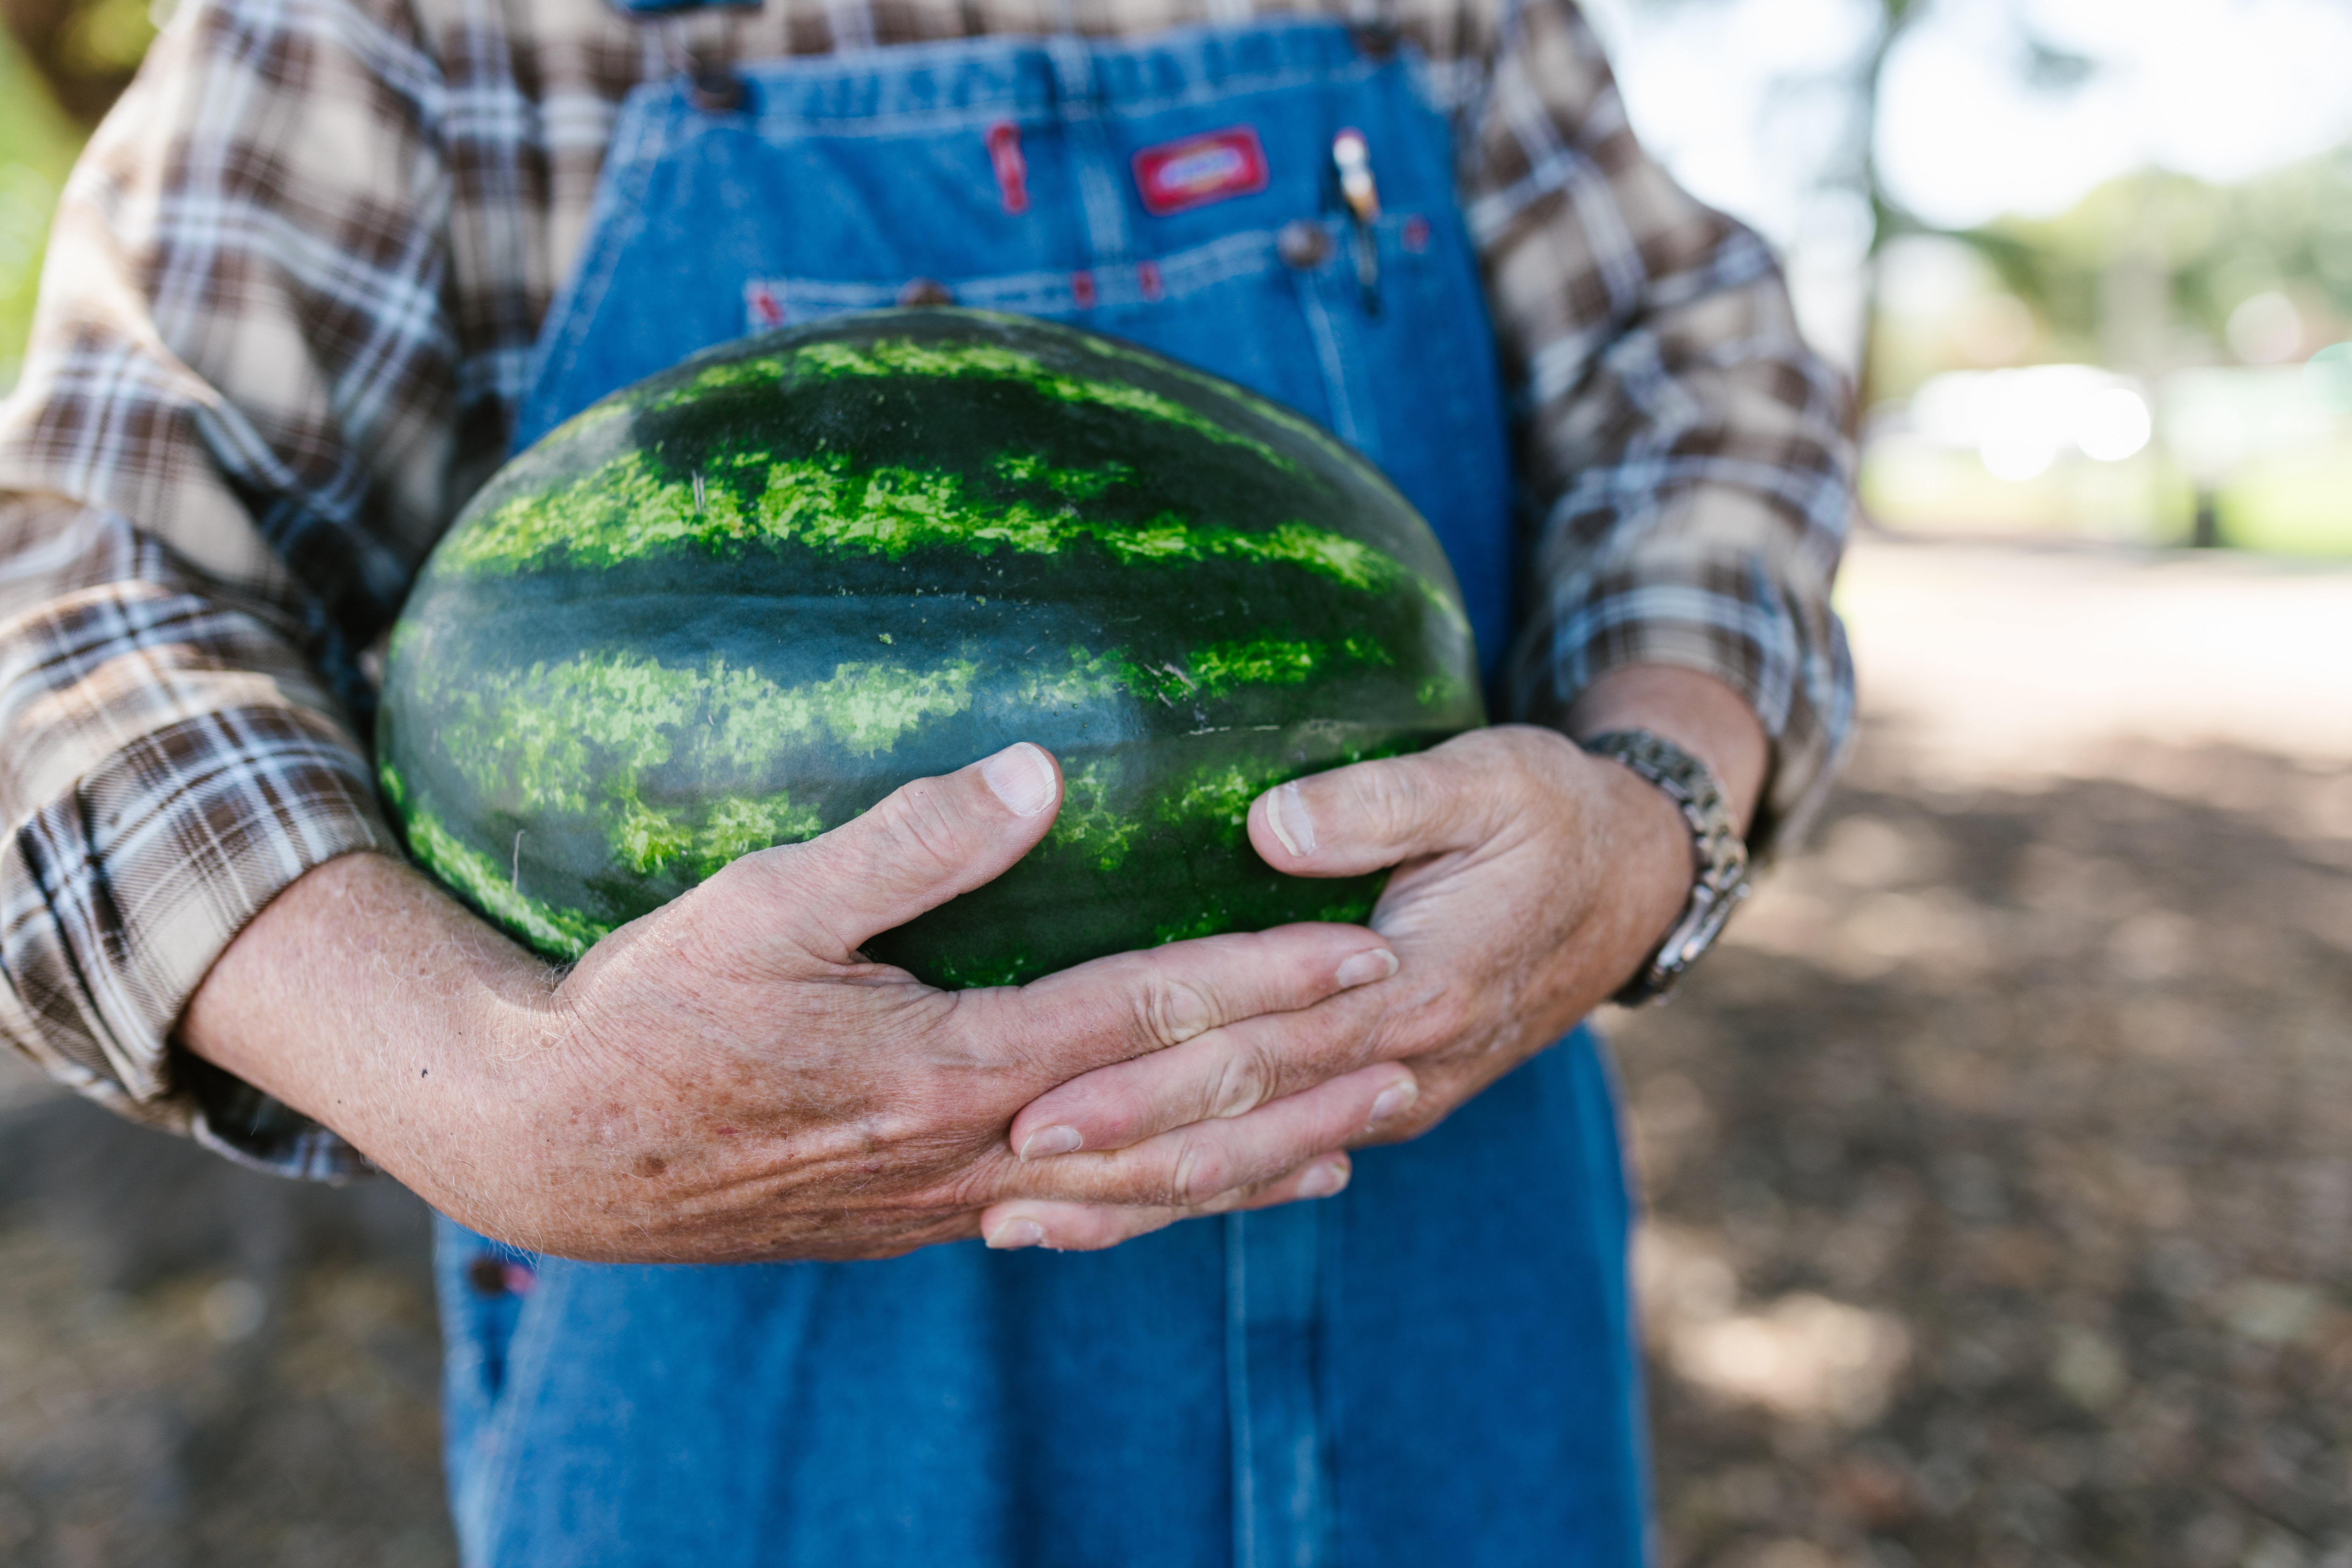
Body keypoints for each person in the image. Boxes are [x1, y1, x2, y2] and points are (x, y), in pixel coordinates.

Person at [0, 0, 1854, 1558]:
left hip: (1443, 1303)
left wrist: (1649, 809)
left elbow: (1693, 372)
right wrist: (496, 1091)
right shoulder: (406, 24)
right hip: (751, 1415)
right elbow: (69, 605)